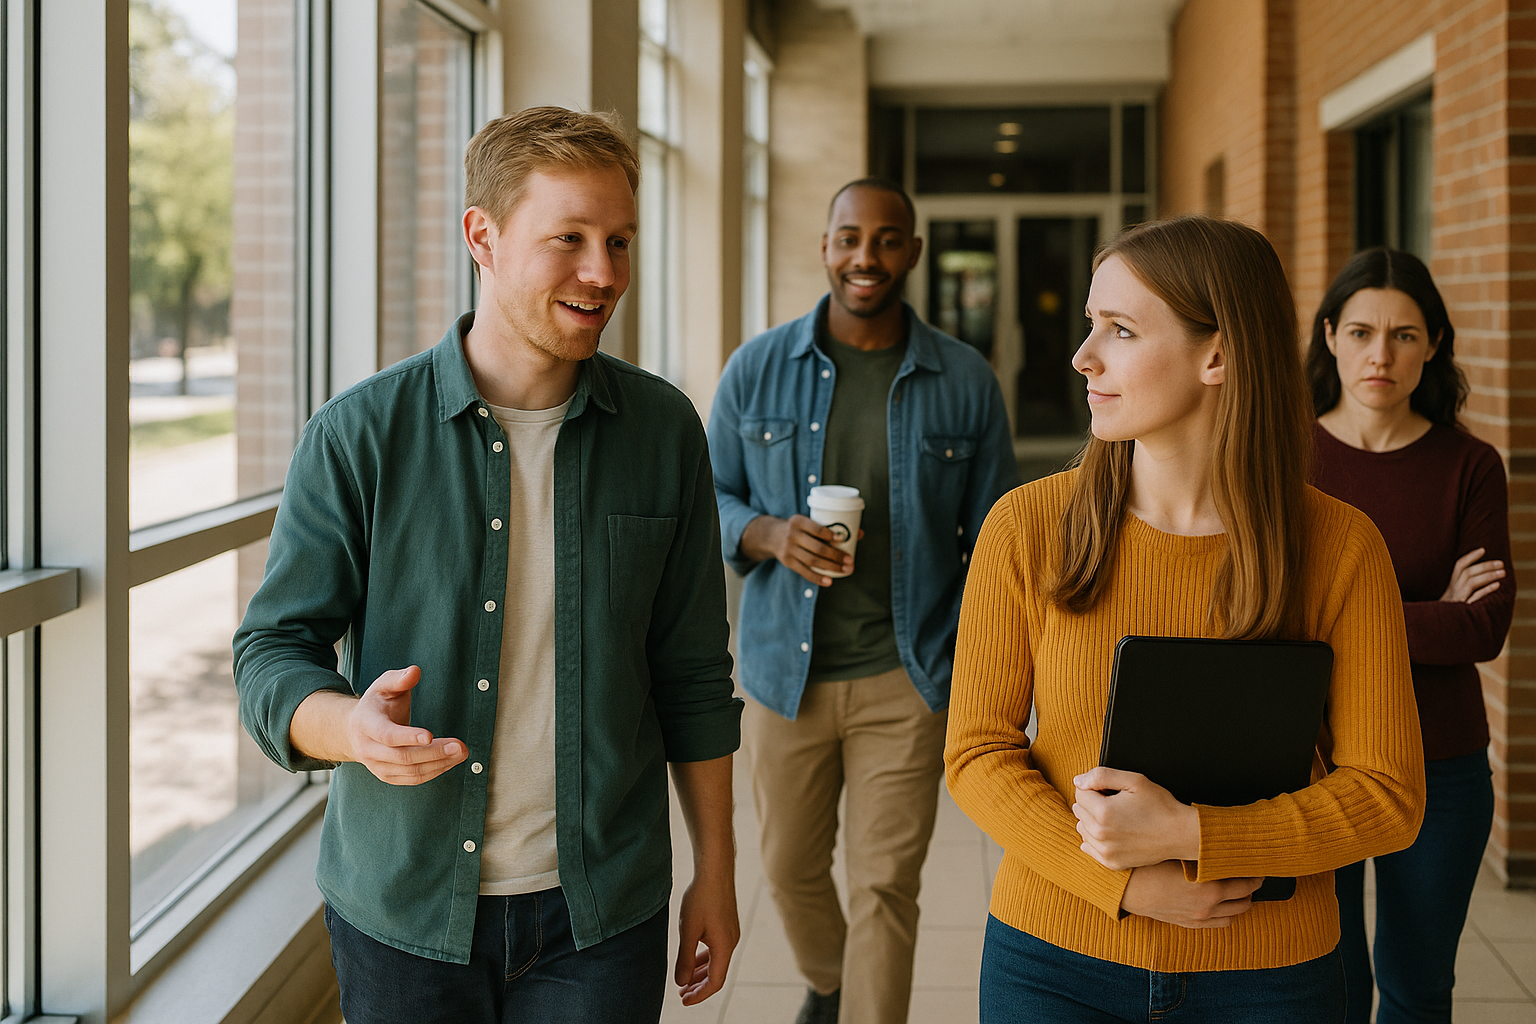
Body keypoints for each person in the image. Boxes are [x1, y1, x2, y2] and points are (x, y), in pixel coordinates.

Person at [233, 107, 743, 1024]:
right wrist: (351, 729)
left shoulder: (665, 431)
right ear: (483, 236)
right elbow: (273, 650)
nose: (604, 273)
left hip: (601, 915)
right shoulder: (360, 434)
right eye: (568, 239)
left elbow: (693, 672)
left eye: (619, 241)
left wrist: (717, 868)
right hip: (402, 912)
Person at [945, 215, 1426, 1024]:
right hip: (1054, 960)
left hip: (1270, 976)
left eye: (1121, 330)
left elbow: (1387, 795)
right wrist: (1123, 882)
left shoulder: (1342, 548)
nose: (1083, 356)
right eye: (1091, 323)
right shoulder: (1025, 527)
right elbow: (977, 755)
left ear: (1219, 355)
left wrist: (1194, 834)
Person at [707, 177, 1017, 1024]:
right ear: (826, 248)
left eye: (886, 239)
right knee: (788, 868)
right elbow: (710, 498)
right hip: (785, 673)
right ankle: (832, 980)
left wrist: (978, 664)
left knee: (884, 885)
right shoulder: (756, 369)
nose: (865, 256)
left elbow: (999, 540)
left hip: (905, 677)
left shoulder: (964, 380)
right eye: (849, 238)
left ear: (912, 251)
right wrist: (768, 533)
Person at [1306, 247, 1513, 1024]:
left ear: (1433, 345)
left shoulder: (1471, 466)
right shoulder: (1286, 459)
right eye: (1362, 332)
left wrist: (1341, 621)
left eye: (1404, 335)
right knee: (1327, 985)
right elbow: (1276, 622)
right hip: (1314, 757)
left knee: (1418, 987)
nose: (1381, 356)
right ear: (1331, 336)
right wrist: (1429, 610)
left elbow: (1483, 626)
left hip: (1441, 759)